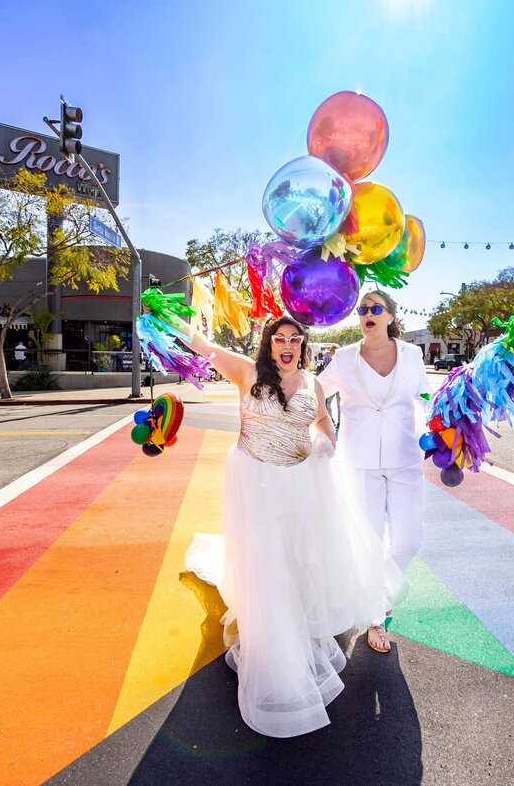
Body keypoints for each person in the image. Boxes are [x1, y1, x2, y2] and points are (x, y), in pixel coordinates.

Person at [182, 315, 404, 738]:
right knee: (267, 565)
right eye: (279, 338)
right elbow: (202, 344)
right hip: (255, 482)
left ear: (302, 344)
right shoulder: (246, 372)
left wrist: (328, 441)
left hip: (300, 483)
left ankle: (295, 614)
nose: (287, 344)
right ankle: (275, 644)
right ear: (269, 343)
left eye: (294, 339)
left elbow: (322, 421)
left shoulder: (312, 383)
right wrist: (162, 317)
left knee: (298, 558)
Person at [317, 290, 432, 654]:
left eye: (375, 308)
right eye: (363, 309)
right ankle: (376, 618)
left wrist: (439, 430)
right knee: (368, 543)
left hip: (405, 459)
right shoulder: (345, 358)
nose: (368, 313)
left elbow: (426, 400)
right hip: (359, 462)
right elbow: (315, 390)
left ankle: (381, 597)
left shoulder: (413, 356)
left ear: (390, 317)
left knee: (407, 542)